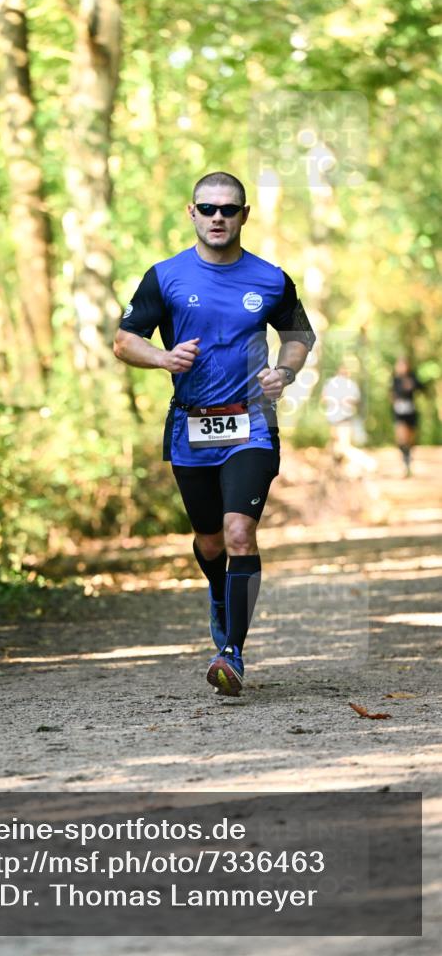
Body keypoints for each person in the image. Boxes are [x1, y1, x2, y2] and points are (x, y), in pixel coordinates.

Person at [113, 171, 316, 697]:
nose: (218, 217)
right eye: (208, 208)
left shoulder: (271, 278)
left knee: (238, 533)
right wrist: (163, 357)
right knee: (208, 539)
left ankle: (233, 652)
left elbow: (299, 336)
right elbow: (123, 340)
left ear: (245, 215)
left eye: (228, 209)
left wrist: (285, 372)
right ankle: (222, 597)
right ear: (192, 213)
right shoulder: (166, 276)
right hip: (191, 425)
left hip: (252, 422)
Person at [391, 356, 423, 477]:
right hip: (399, 412)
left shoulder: (412, 376)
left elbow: (422, 388)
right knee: (401, 437)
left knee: (410, 439)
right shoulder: (395, 379)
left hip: (411, 412)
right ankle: (405, 462)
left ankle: (408, 461)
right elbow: (392, 394)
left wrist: (412, 385)